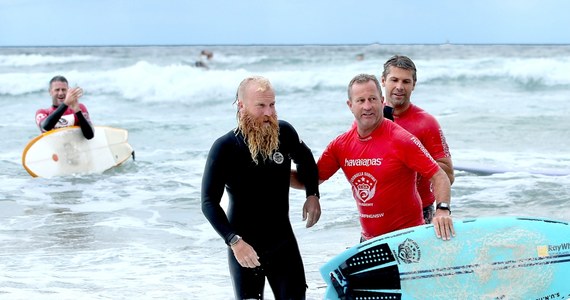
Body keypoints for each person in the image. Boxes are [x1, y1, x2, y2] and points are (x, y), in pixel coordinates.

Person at [293, 74, 454, 242]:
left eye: (372, 99)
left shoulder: (401, 139)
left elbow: (439, 176)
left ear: (382, 101)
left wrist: (442, 210)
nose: (367, 106)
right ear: (350, 105)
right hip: (369, 241)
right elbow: (311, 180)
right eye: (361, 101)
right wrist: (274, 173)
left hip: (408, 238)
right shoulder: (340, 145)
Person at [201, 76, 321, 299]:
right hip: (245, 246)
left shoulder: (284, 133)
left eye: (272, 104)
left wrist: (312, 194)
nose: (269, 112)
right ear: (241, 106)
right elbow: (208, 202)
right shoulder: (225, 148)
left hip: (283, 243)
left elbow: (306, 160)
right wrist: (234, 241)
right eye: (261, 106)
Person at [381, 55, 454, 224]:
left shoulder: (426, 123)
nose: (399, 87)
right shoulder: (369, 119)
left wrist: (413, 164)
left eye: (406, 82)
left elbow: (448, 174)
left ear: (413, 85)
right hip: (379, 213)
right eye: (394, 80)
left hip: (421, 211)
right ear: (383, 81)